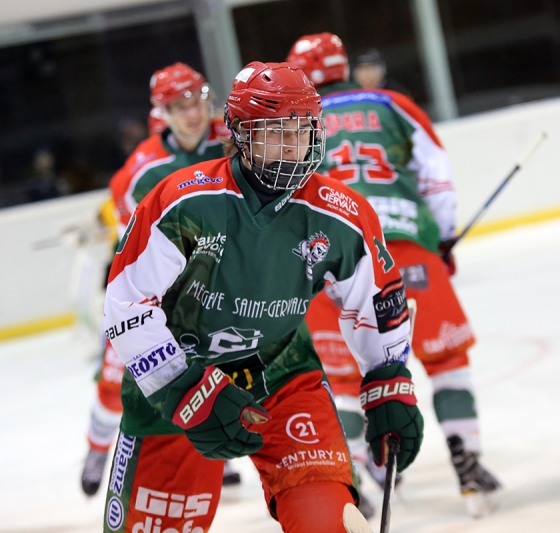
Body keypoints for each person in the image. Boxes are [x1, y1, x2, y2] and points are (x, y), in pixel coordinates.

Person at [101, 60, 423, 533]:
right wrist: (181, 386)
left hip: (282, 375)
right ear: (240, 136)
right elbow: (126, 300)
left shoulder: (342, 213)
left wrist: (387, 379)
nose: (292, 146)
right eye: (275, 132)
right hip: (172, 388)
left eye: (302, 130)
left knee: (325, 521)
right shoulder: (185, 201)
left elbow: (375, 300)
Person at [287, 32, 502, 517]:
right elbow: (436, 174)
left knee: (341, 377)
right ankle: (468, 466)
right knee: (447, 358)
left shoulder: (295, 121)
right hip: (404, 251)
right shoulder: (391, 103)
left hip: (330, 259)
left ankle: (361, 479)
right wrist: (442, 239)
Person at [81, 62, 237, 497]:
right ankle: (97, 446)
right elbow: (138, 253)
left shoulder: (231, 139)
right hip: (149, 289)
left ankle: (210, 452)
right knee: (116, 384)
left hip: (212, 281)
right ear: (161, 112)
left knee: (210, 369)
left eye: (198, 100)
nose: (192, 112)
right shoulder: (141, 171)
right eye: (178, 105)